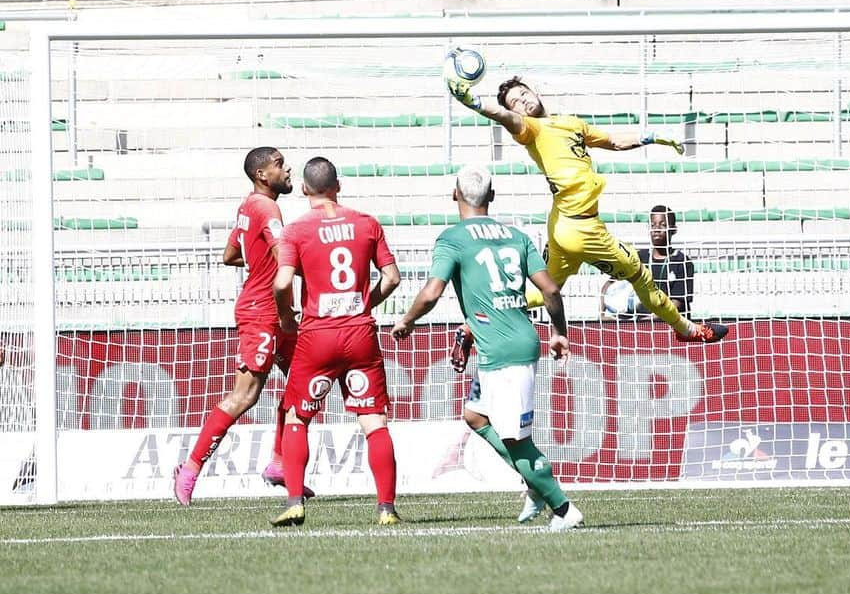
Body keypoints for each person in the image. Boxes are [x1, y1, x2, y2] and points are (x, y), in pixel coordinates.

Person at [446, 73, 727, 370]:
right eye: (516, 102)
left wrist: (651, 137)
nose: (523, 102)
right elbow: (505, 117)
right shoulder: (531, 129)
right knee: (640, 275)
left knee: (546, 292)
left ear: (534, 90)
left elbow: (614, 141)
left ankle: (470, 326)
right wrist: (475, 102)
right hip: (583, 229)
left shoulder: (571, 124)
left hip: (561, 224)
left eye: (523, 94)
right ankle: (688, 330)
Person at [392, 165, 584, 531]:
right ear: (491, 197)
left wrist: (407, 320)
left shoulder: (453, 239)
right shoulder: (517, 236)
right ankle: (536, 485)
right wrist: (559, 332)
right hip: (515, 341)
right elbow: (551, 290)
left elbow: (432, 292)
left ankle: (562, 509)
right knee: (476, 416)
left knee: (516, 440)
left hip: (502, 353)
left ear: (454, 194)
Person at [269, 156, 403, 527]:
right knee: (374, 421)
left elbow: (281, 283)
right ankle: (386, 508)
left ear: (303, 189)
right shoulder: (367, 223)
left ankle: (295, 500)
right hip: (360, 333)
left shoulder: (295, 231)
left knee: (298, 416)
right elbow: (392, 277)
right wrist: (366, 301)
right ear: (338, 186)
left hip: (317, 336)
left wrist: (285, 316)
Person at [173, 146, 307, 506]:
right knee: (246, 395)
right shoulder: (267, 208)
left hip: (273, 310)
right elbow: (285, 256)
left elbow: (231, 254)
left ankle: (280, 464)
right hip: (265, 312)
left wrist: (259, 264)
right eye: (280, 164)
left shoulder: (248, 206)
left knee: (303, 385)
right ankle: (189, 470)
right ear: (263, 174)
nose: (288, 168)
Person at [600, 204, 695, 318]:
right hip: (639, 324)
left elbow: (678, 302)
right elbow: (608, 285)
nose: (656, 229)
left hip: (668, 323)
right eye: (653, 225)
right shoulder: (637, 257)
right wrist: (601, 315)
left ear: (673, 229)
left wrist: (653, 318)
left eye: (663, 225)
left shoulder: (682, 261)